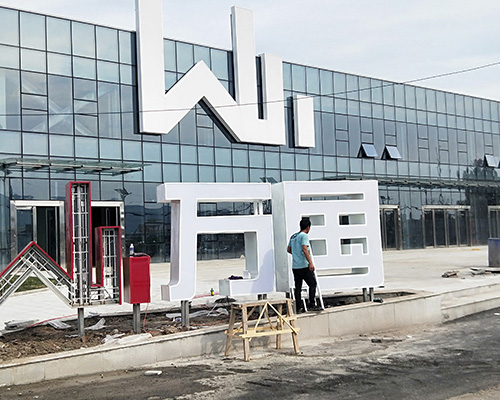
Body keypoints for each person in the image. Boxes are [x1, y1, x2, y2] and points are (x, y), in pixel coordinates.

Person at [287, 219, 318, 312]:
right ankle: (311, 304)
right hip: (303, 265)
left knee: (298, 287)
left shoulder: (293, 236)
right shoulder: (304, 236)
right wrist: (310, 262)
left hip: (295, 266)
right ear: (308, 227)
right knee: (312, 284)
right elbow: (305, 249)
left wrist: (296, 254)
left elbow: (288, 249)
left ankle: (299, 307)